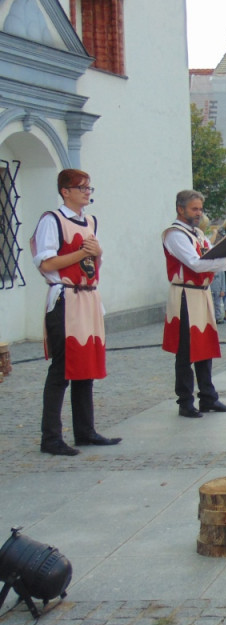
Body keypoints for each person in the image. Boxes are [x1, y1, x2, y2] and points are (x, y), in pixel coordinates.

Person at [31, 168, 121, 455]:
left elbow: (94, 264)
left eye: (88, 187)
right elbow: (46, 264)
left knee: (86, 367)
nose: (86, 191)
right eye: (80, 187)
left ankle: (85, 430)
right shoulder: (52, 220)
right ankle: (51, 437)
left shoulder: (91, 221)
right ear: (65, 191)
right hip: (66, 298)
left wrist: (96, 253)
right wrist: (84, 253)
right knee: (62, 369)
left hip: (88, 298)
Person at [162, 189, 226, 418]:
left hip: (201, 293)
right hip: (185, 293)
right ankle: (185, 401)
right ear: (180, 209)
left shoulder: (198, 234)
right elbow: (195, 263)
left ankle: (208, 397)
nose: (199, 213)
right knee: (185, 350)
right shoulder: (175, 234)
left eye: (200, 209)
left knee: (204, 347)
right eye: (194, 209)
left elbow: (210, 258)